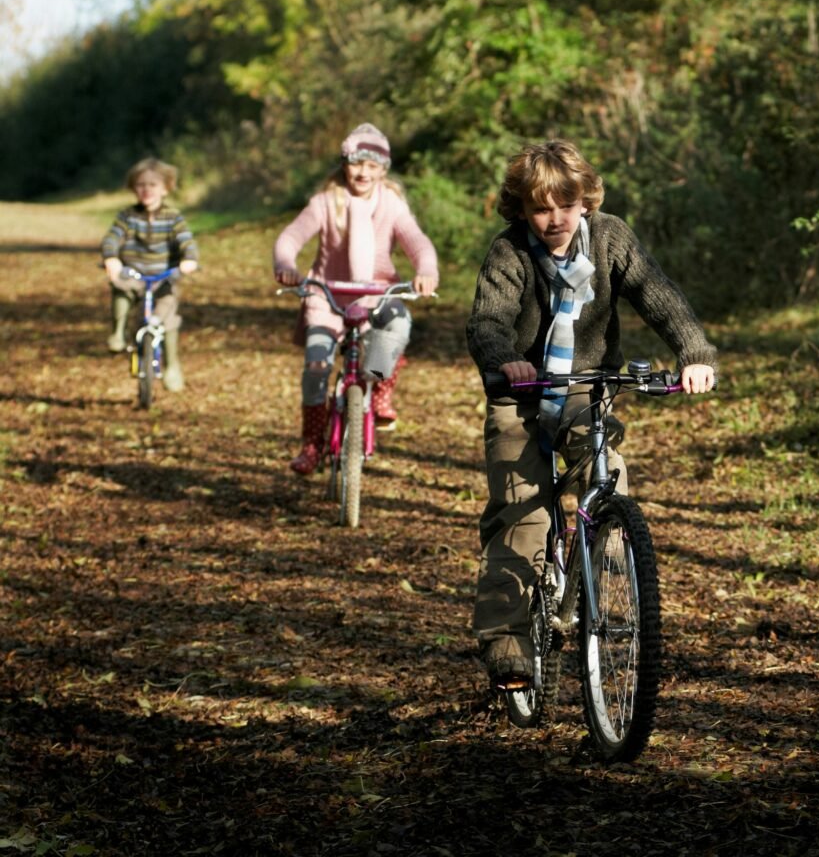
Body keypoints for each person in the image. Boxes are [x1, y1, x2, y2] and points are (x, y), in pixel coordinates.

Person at [465, 139, 718, 688]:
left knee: (609, 478)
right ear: (522, 210)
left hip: (586, 388)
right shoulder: (509, 252)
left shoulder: (610, 238)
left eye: (565, 204)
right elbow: (487, 321)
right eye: (540, 208)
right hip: (522, 398)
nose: (553, 218)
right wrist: (506, 360)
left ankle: (600, 564)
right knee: (522, 515)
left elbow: (659, 295)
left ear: (585, 200)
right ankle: (507, 642)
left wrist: (693, 353)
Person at [273, 122, 439, 474]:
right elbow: (290, 238)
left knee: (396, 324)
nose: (363, 172)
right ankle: (312, 444)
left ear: (383, 169)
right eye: (356, 163)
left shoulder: (391, 204)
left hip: (378, 294)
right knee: (316, 365)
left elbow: (417, 242)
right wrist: (286, 264)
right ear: (344, 164)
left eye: (372, 165)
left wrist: (425, 270)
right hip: (327, 297)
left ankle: (379, 390)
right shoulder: (325, 202)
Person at [100, 157, 200, 392]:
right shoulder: (127, 216)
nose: (146, 190)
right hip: (132, 273)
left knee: (168, 313)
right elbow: (111, 238)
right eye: (140, 185)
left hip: (164, 277)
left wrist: (189, 260)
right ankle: (118, 332)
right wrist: (111, 258)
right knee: (120, 289)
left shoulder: (173, 217)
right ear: (134, 188)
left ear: (165, 188)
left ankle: (172, 365)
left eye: (152, 185)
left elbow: (186, 241)